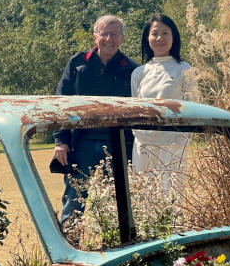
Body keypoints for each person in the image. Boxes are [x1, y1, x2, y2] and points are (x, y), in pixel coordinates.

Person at [53, 14, 138, 223]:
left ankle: (111, 251)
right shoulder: (77, 64)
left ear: (122, 38)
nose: (109, 39)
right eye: (104, 34)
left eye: (115, 34)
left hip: (119, 146)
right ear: (95, 36)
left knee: (115, 207)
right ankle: (70, 249)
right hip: (80, 146)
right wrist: (61, 141)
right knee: (74, 204)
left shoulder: (132, 69)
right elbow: (60, 103)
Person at [130, 14, 198, 188]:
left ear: (173, 37)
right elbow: (134, 109)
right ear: (147, 38)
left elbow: (194, 108)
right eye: (154, 33)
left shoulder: (184, 69)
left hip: (172, 145)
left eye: (165, 33)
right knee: (145, 197)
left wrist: (181, 142)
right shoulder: (138, 73)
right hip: (144, 144)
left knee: (172, 197)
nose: (159, 38)